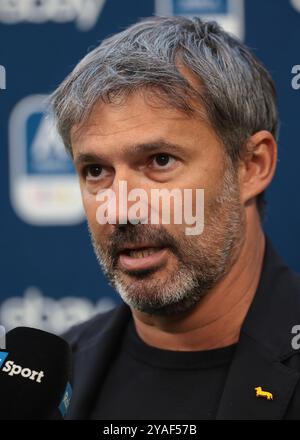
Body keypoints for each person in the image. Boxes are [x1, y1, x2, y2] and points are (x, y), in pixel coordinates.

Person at [50, 16, 300, 420]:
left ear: (252, 166)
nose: (121, 209)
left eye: (160, 161)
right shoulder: (51, 383)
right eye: (96, 171)